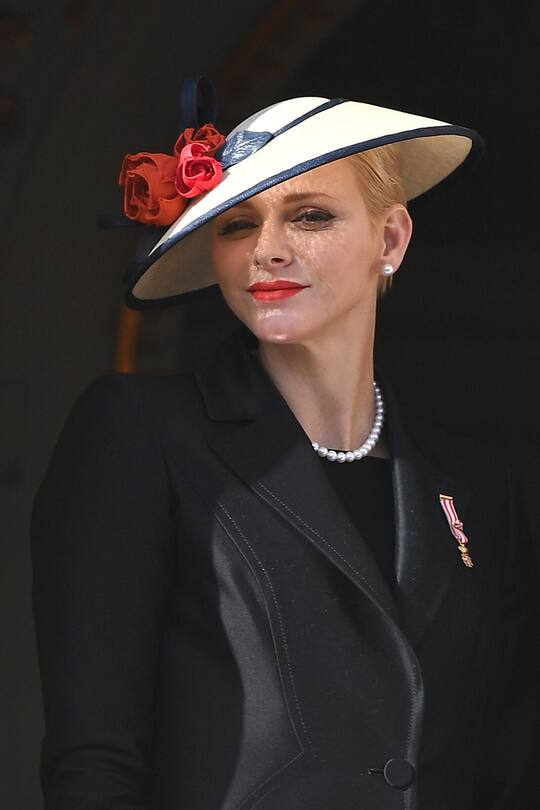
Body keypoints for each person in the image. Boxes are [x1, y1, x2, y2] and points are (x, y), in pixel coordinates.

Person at [30, 79, 540, 810]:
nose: (267, 249)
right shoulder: (142, 432)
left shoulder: (479, 486)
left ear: (390, 238)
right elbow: (95, 760)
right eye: (237, 224)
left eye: (309, 216)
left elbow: (509, 763)